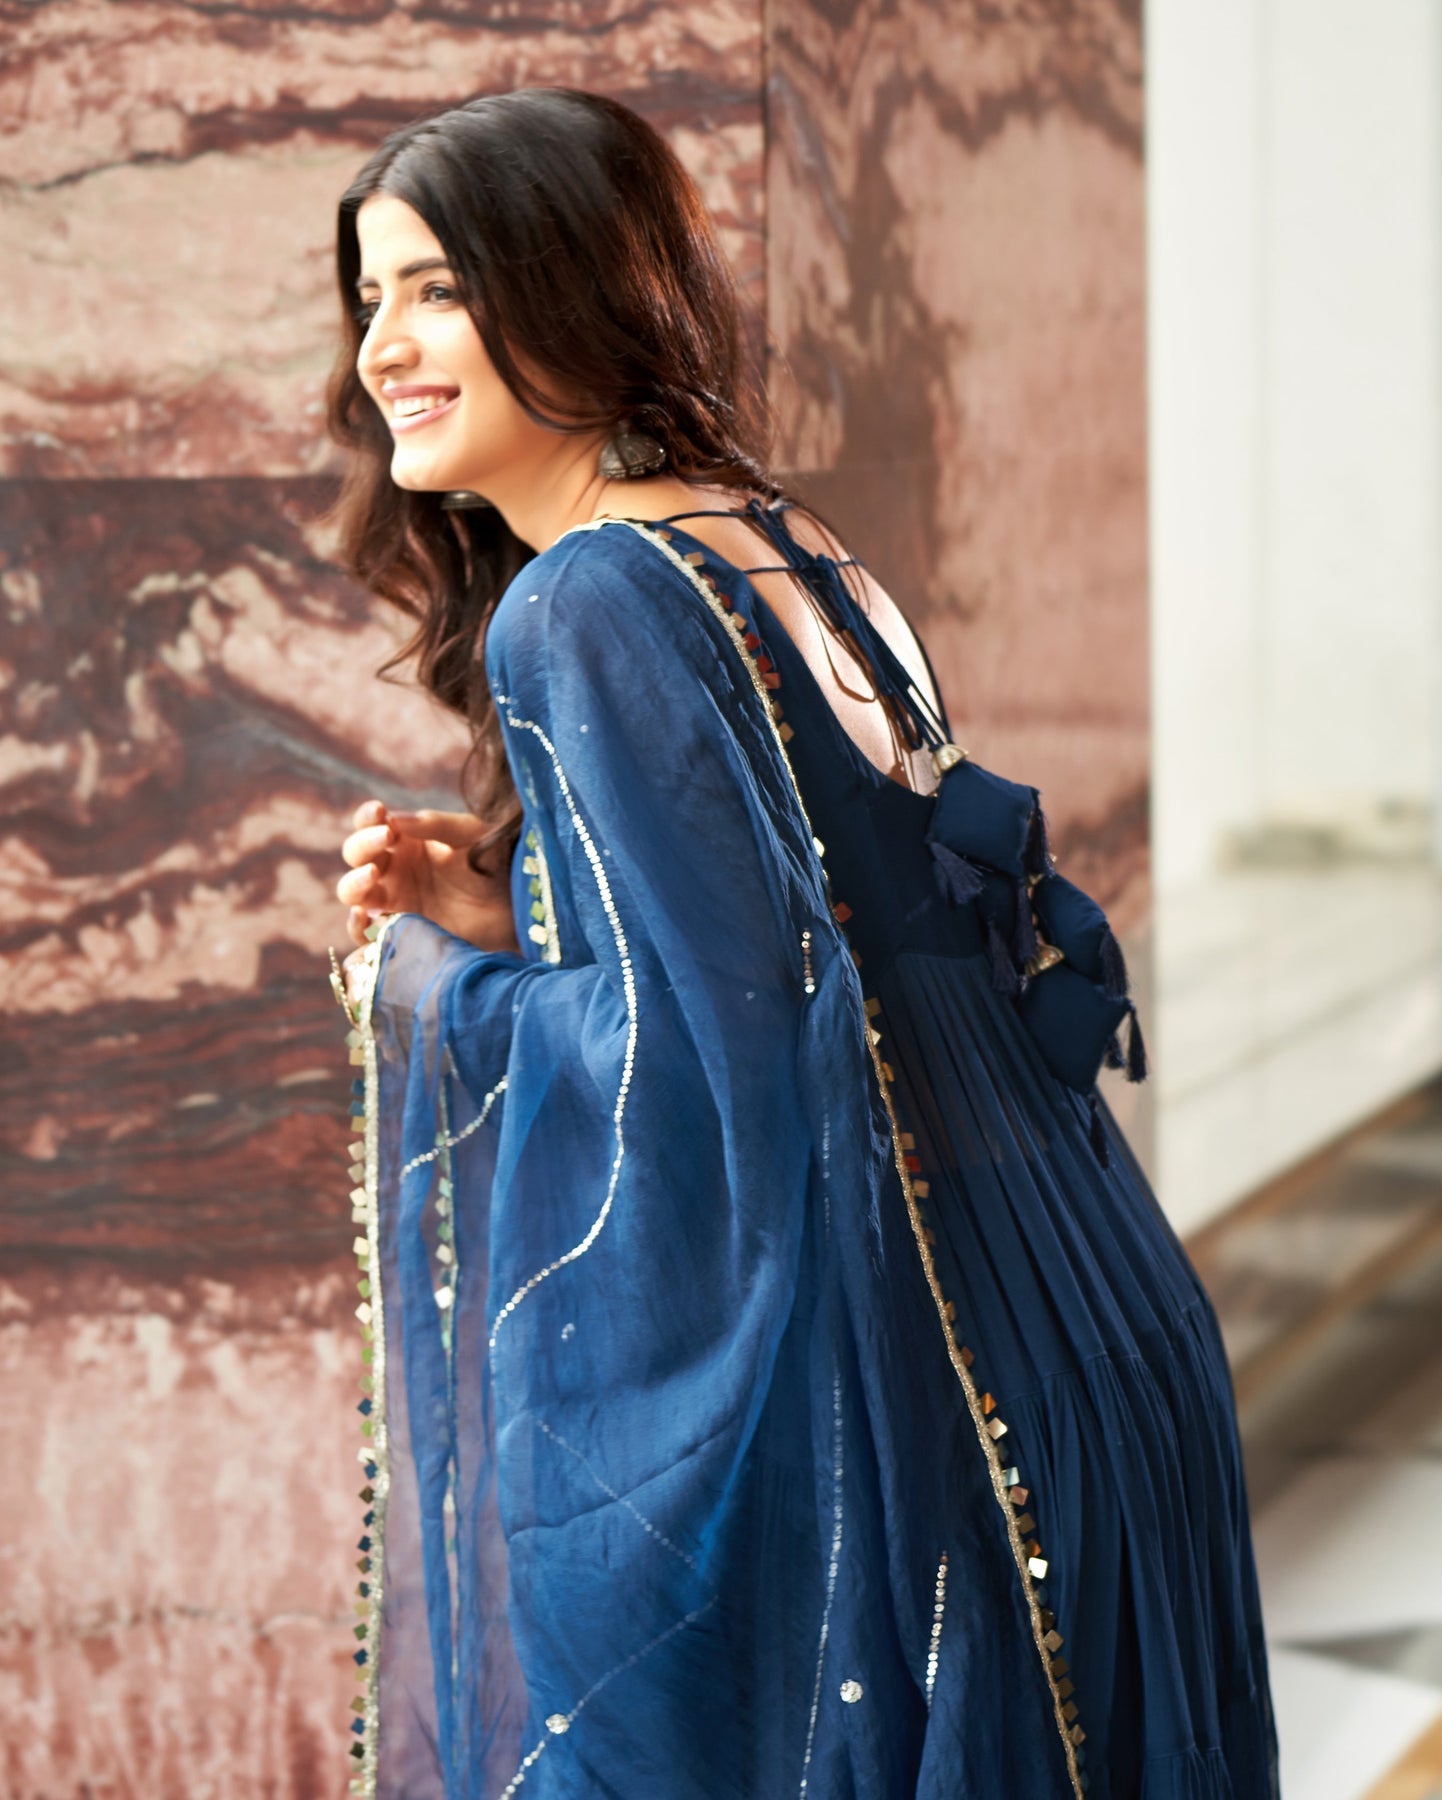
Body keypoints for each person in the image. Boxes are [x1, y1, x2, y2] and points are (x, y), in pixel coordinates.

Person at [326, 86, 1279, 1800]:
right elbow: (840, 938)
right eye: (369, 296)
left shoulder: (581, 601)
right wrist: (524, 911)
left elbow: (721, 1059)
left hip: (920, 1387)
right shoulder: (777, 536)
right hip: (1088, 1321)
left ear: (573, 284)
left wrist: (434, 988)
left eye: (438, 290)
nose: (383, 346)